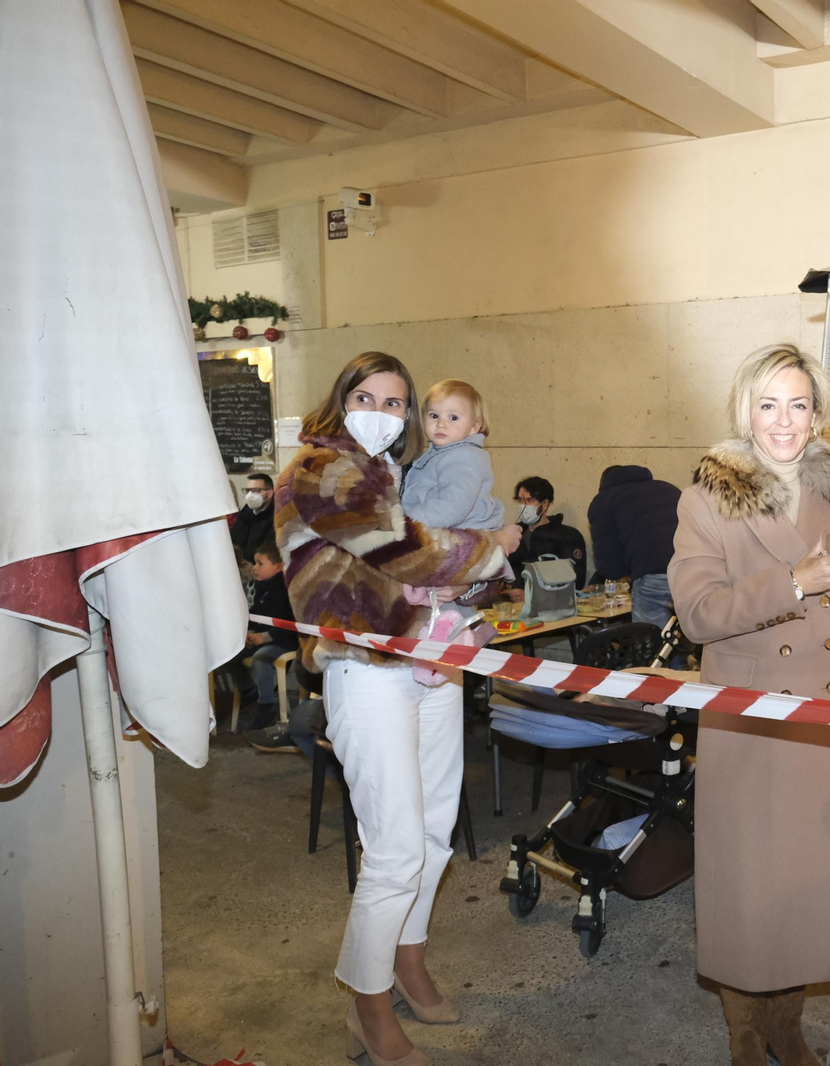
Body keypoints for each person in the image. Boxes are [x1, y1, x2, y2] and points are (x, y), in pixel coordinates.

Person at [277, 351, 520, 1066]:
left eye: (394, 403)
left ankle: (407, 962)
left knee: (437, 827)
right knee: (395, 850)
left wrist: (471, 581)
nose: (381, 413)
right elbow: (404, 553)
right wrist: (492, 548)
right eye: (367, 396)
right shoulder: (321, 470)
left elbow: (440, 579)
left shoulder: (395, 472)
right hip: (368, 671)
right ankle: (368, 1003)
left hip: (429, 663)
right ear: (340, 397)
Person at [669, 343, 830, 1066]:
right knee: (750, 878)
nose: (785, 422)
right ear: (746, 411)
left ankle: (786, 1023)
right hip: (755, 707)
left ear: (817, 412)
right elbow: (700, 613)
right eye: (769, 404)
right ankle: (744, 1031)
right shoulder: (707, 496)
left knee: (808, 877)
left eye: (799, 404)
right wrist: (796, 580)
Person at [399, 379, 503, 685]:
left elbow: (452, 506)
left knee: (436, 595)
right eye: (434, 416)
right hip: (443, 535)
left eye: (453, 418)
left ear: (475, 426)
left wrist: (403, 523)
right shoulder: (438, 454)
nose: (441, 424)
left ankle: (451, 642)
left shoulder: (465, 457)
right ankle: (459, 633)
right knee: (433, 595)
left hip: (451, 532)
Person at [587, 464, 681, 632]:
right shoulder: (668, 488)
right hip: (690, 572)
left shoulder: (604, 500)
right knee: (684, 641)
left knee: (652, 644)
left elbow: (608, 557)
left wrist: (621, 575)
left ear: (602, 485)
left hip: (652, 577)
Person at [241, 543, 298, 732]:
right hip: (261, 638)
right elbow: (255, 614)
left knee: (261, 658)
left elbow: (290, 625)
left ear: (278, 567)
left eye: (260, 563)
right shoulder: (260, 587)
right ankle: (248, 690)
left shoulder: (286, 590)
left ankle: (267, 706)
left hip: (284, 643)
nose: (254, 567)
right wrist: (249, 633)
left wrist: (263, 637)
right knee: (231, 652)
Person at [508, 475, 588, 586]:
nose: (523, 506)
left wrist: (529, 592)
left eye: (529, 500)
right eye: (520, 501)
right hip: (516, 602)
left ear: (545, 504)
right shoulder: (514, 535)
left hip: (552, 601)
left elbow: (575, 580)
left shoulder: (568, 536)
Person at [230, 471, 276, 560]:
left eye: (256, 491)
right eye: (248, 491)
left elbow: (267, 553)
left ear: (269, 493)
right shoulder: (246, 512)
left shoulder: (276, 517)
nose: (250, 495)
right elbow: (233, 539)